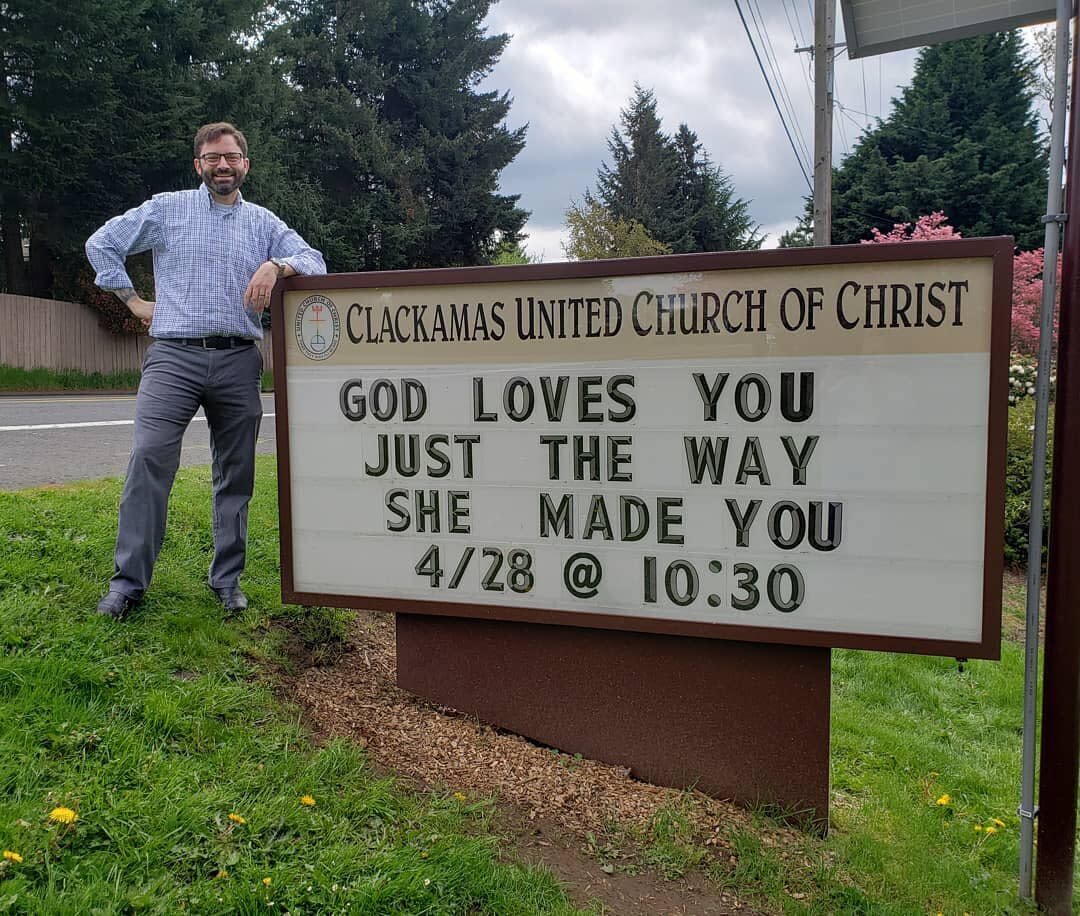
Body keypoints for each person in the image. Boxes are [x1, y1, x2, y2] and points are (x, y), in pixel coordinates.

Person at [86, 122, 326, 618]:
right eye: (213, 157)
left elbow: (315, 261)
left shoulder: (263, 223)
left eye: (232, 157)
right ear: (199, 165)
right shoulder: (166, 209)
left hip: (240, 358)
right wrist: (131, 300)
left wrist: (276, 266)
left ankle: (227, 580)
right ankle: (128, 584)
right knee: (150, 458)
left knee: (235, 473)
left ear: (245, 165)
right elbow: (101, 243)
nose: (223, 165)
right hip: (173, 356)